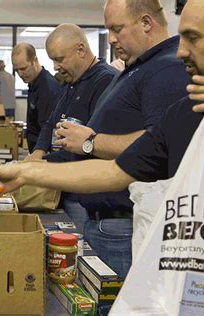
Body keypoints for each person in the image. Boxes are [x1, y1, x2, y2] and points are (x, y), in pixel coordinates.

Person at [0, 0, 204, 276]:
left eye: (193, 37)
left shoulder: (167, 74)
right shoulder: (187, 110)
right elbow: (113, 170)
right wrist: (26, 173)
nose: (181, 51)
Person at [46, 0, 191, 277]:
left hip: (123, 226)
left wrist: (91, 142)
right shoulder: (138, 67)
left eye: (117, 29)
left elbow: (160, 142)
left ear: (146, 23)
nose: (111, 39)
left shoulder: (166, 69)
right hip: (107, 223)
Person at [27, 23, 118, 232]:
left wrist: (40, 164)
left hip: (86, 196)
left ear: (81, 50)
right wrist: (38, 153)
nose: (56, 67)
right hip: (64, 186)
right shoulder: (70, 81)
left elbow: (91, 146)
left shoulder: (106, 81)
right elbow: (51, 123)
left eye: (59, 59)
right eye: (52, 60)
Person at [11, 43, 61, 152]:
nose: (20, 74)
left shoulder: (47, 88)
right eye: (16, 70)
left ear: (35, 61)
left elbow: (48, 129)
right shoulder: (33, 83)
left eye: (23, 68)